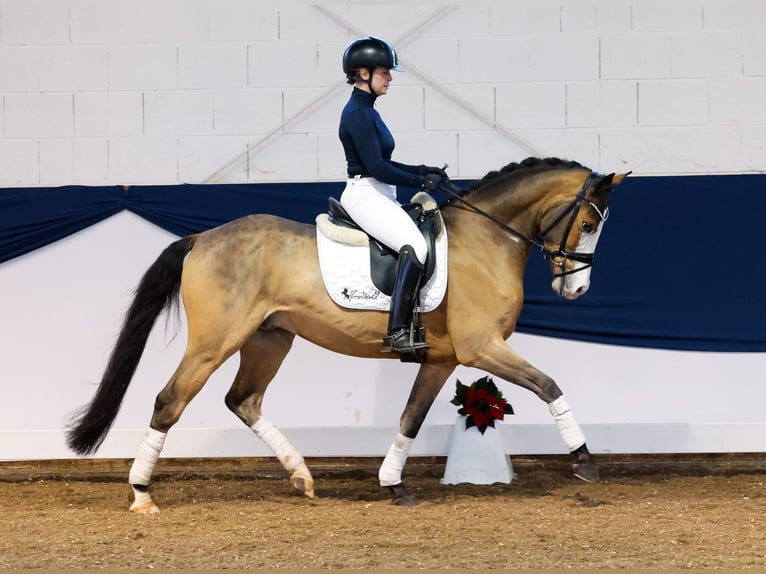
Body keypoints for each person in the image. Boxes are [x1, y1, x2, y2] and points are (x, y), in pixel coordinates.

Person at [338, 36, 446, 361]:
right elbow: (376, 167)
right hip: (365, 194)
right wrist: (419, 181)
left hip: (379, 192)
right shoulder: (357, 113)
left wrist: (423, 169)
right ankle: (398, 331)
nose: (390, 78)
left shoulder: (368, 110)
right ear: (363, 73)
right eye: (384, 72)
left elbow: (385, 162)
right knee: (417, 247)